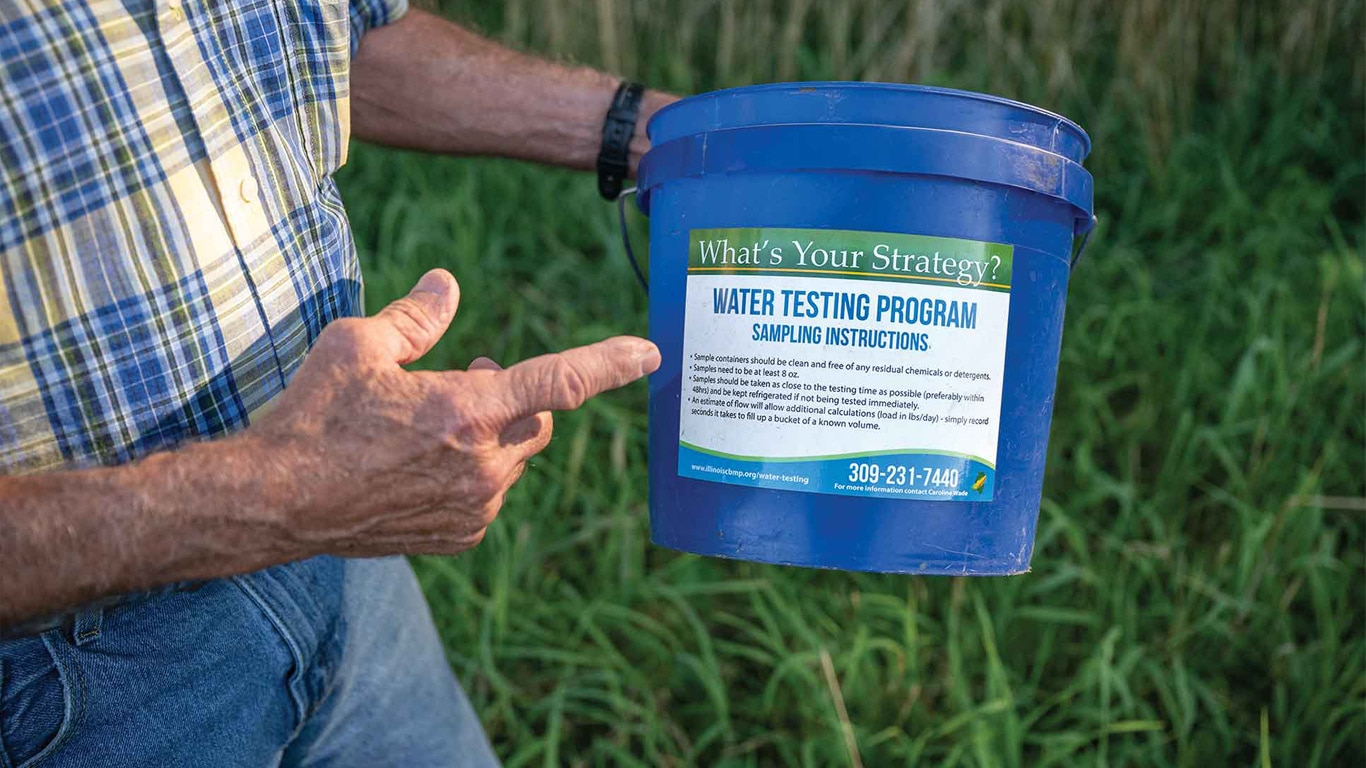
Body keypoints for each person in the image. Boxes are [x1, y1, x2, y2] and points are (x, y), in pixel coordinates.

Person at [0, 1, 676, 765]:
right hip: (75, 683)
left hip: (352, 558)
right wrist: (282, 492)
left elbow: (343, 35)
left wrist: (647, 131)